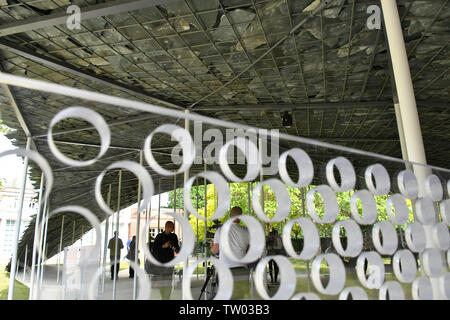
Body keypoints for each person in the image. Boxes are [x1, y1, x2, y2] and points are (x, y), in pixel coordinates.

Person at [210, 206, 250, 299]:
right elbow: (248, 251)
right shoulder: (247, 231)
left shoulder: (220, 230)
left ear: (230, 215)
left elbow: (215, 250)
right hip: (242, 269)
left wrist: (211, 245)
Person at [151, 221, 180, 299]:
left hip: (170, 262)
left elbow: (177, 249)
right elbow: (154, 249)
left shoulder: (174, 236)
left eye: (173, 227)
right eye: (171, 227)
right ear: (167, 227)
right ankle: (163, 296)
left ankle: (166, 297)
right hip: (160, 262)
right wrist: (163, 246)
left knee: (168, 281)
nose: (172, 229)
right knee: (161, 282)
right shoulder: (159, 236)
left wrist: (174, 248)